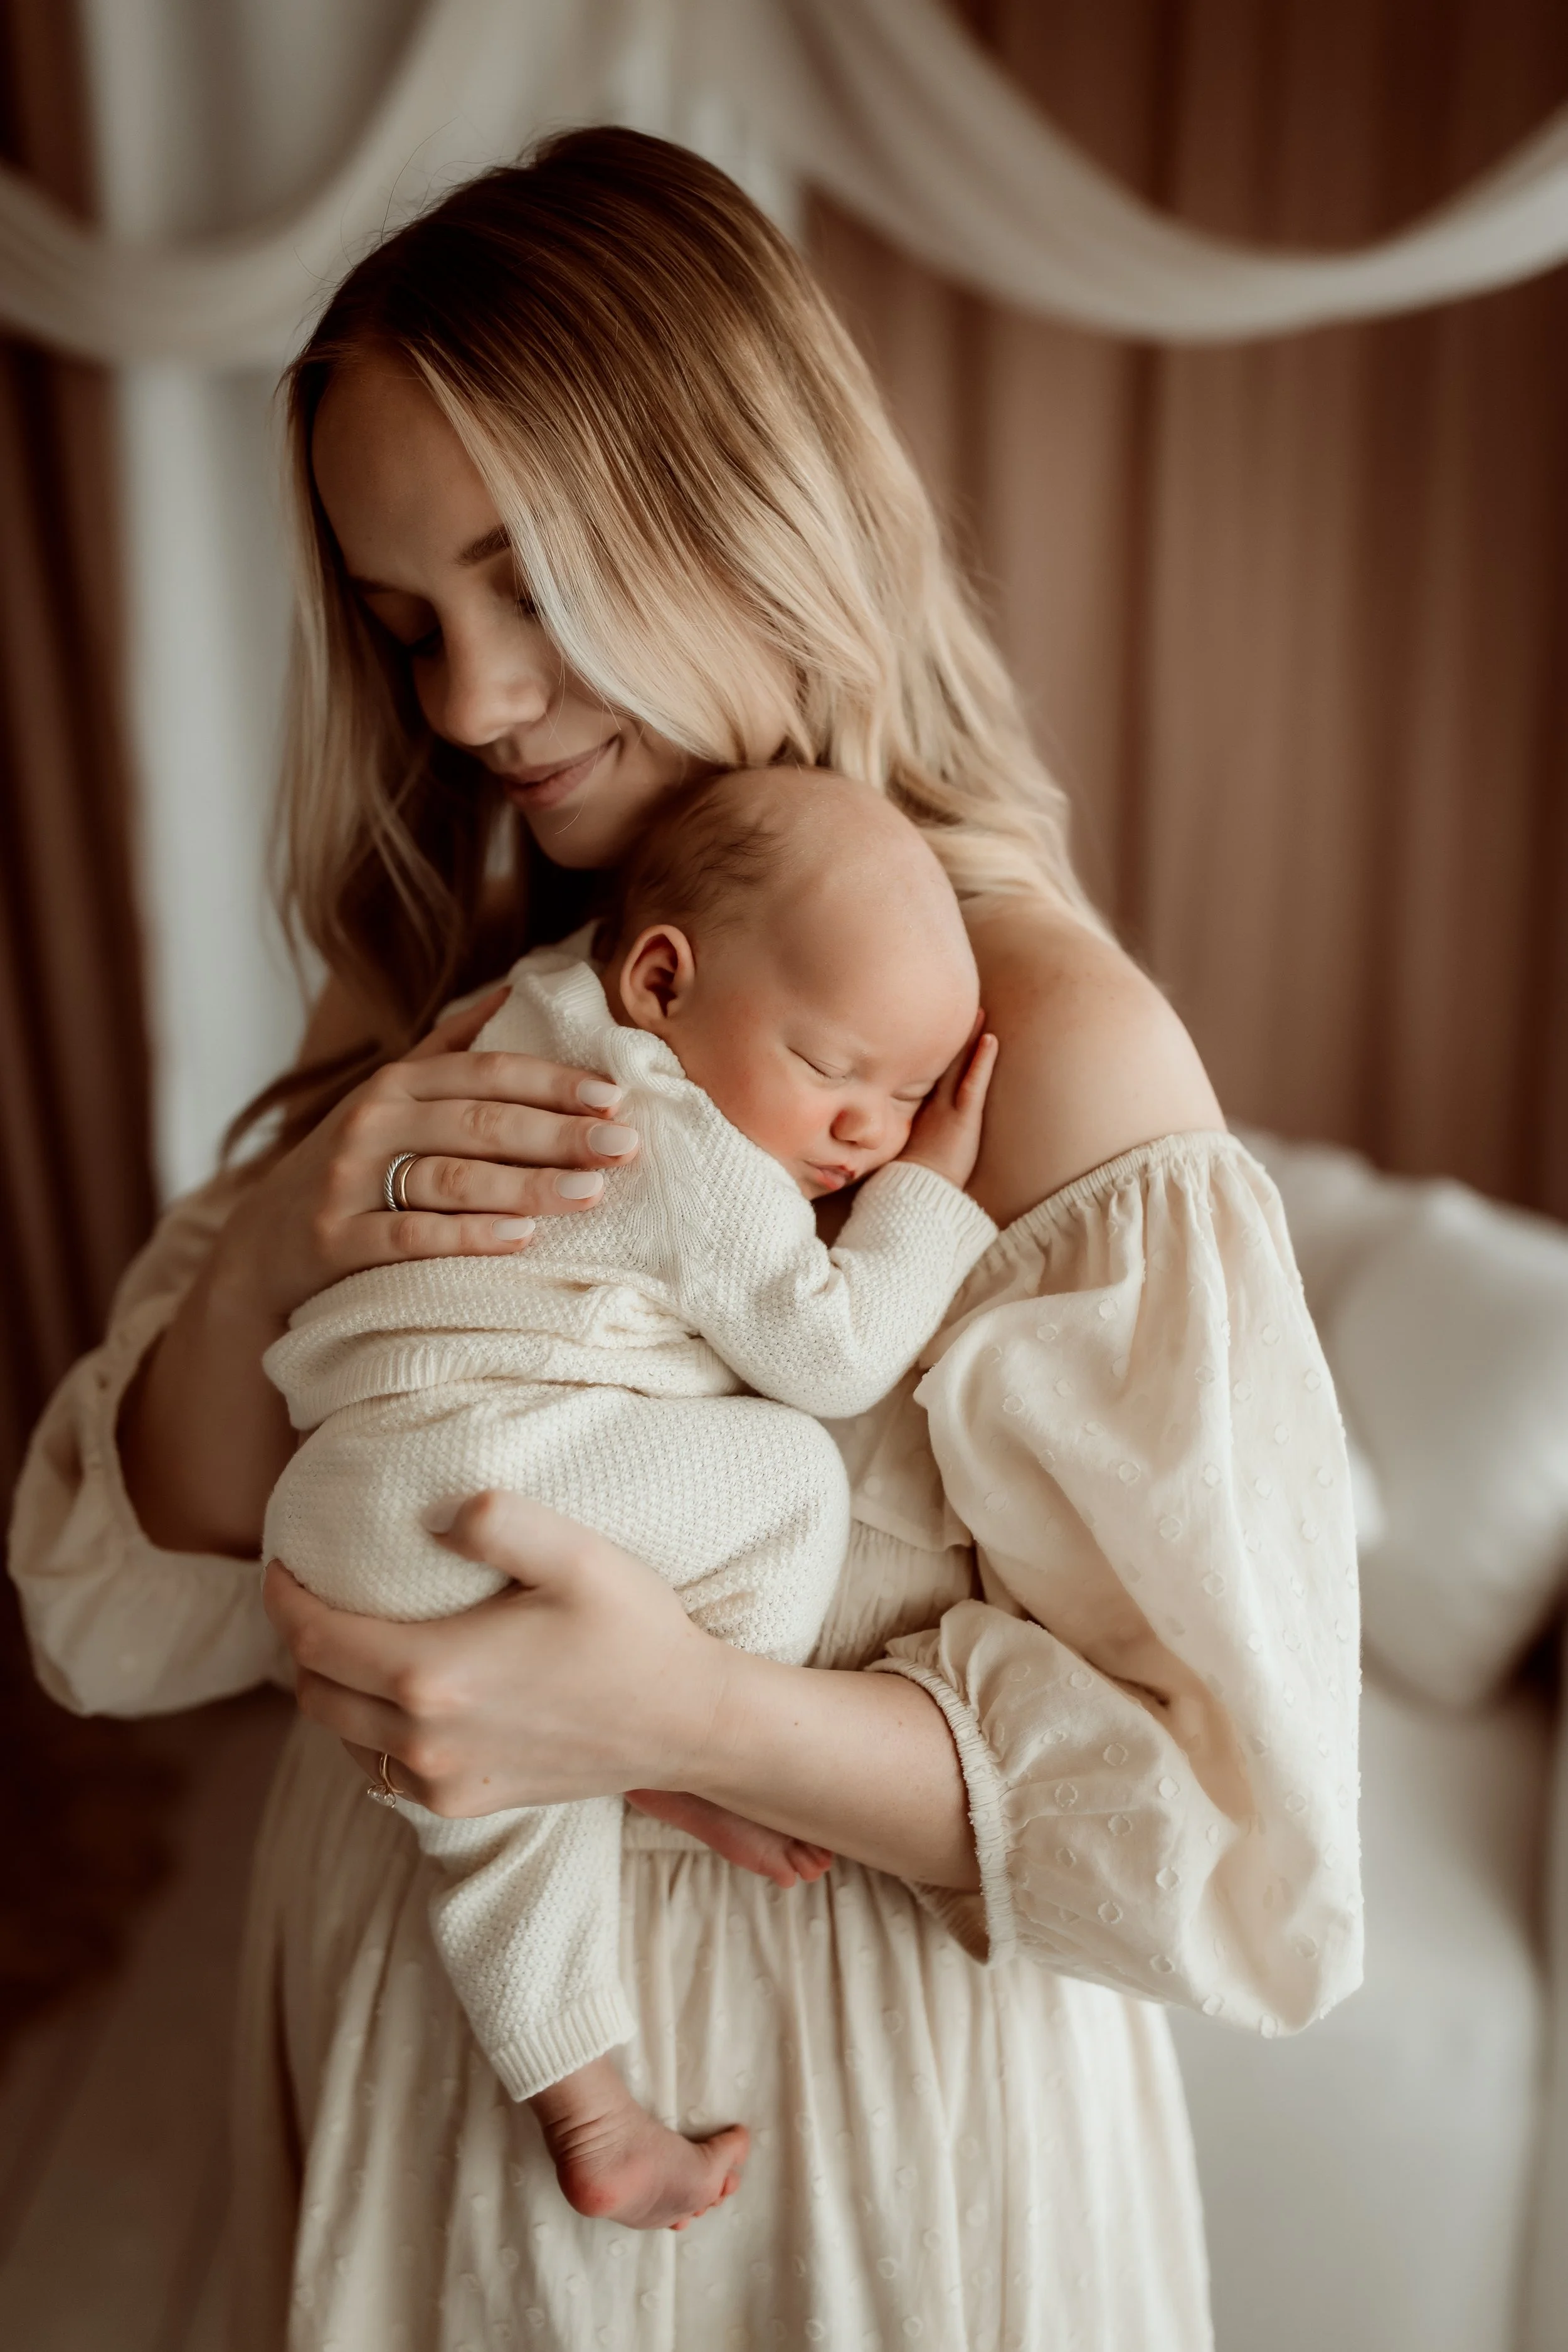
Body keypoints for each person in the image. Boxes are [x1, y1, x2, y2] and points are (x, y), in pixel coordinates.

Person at [8, 129, 1363, 2351]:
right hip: (412, 2060)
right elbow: (114, 1629)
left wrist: (693, 1714)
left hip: (818, 2126)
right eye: (405, 621)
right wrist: (284, 1238)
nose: (463, 704)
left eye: (530, 582)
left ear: (753, 510)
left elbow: (1244, 1861)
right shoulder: (455, 982)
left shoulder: (1059, 1063)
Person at [261, 766, 1000, 2230]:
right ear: (662, 978)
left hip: (352, 1502)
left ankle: (590, 2113)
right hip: (469, 1473)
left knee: (502, 1809)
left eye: (906, 1100)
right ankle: (687, 1735)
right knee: (789, 1474)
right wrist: (935, 1190)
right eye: (832, 1067)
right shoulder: (666, 1124)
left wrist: (832, 1085)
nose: (863, 1131)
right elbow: (830, 1352)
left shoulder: (526, 1003)